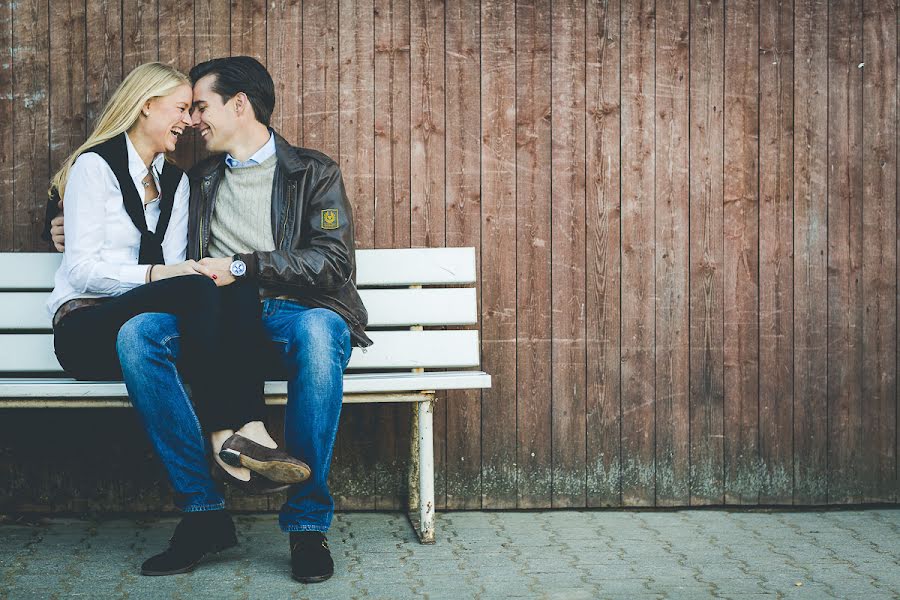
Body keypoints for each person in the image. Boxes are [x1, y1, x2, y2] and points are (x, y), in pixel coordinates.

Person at [50, 56, 373, 583]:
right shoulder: (195, 180)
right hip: (220, 318)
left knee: (320, 334)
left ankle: (307, 526)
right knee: (137, 333)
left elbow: (334, 262)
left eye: (201, 106)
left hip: (296, 313)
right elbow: (144, 238)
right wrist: (56, 220)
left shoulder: (313, 172)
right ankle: (203, 511)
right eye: (187, 108)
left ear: (239, 104)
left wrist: (247, 265)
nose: (194, 119)